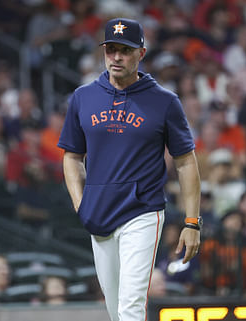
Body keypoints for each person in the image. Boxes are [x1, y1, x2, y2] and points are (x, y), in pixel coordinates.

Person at [58, 18, 201, 321]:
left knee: (131, 306)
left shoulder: (164, 101)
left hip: (143, 210)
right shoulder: (83, 97)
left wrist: (192, 222)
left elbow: (186, 162)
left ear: (142, 53)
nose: (117, 57)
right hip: (98, 212)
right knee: (115, 309)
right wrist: (80, 203)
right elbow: (71, 157)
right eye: (111, 50)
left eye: (125, 50)